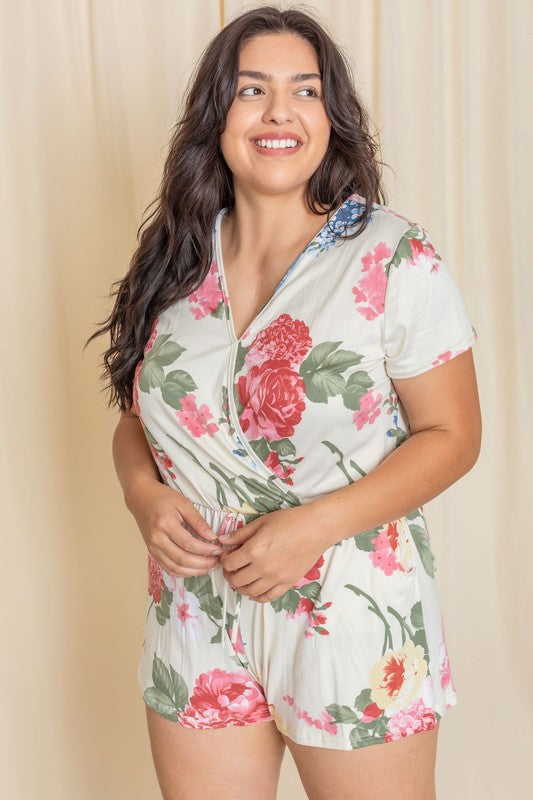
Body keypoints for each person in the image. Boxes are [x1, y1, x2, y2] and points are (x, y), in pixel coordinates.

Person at [86, 6, 481, 799]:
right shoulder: (174, 258)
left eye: (303, 90)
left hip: (351, 611)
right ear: (216, 118)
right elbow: (138, 419)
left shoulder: (392, 255)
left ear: (329, 118)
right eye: (250, 90)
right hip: (193, 615)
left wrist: (315, 525)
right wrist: (141, 496)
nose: (277, 111)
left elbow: (452, 435)